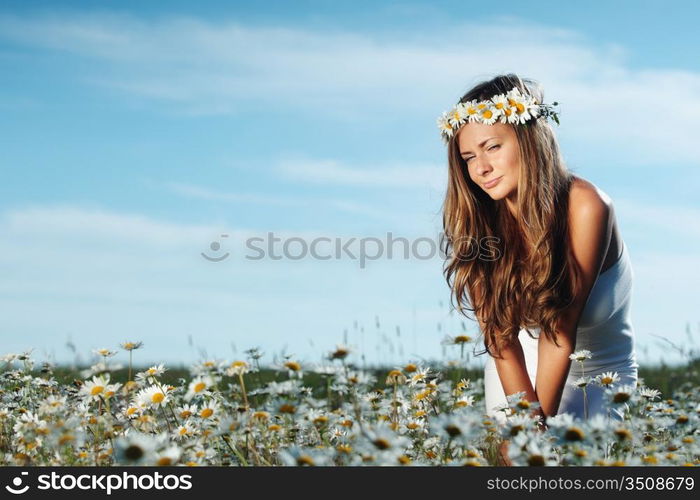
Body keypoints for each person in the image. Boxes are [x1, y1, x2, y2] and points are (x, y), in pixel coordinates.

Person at [437, 74, 639, 434]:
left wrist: (536, 431)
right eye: (469, 157)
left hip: (599, 371)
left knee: (570, 468)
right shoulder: (477, 222)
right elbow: (500, 337)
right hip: (515, 365)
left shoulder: (587, 207)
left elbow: (559, 332)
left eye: (492, 147)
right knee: (512, 468)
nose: (480, 168)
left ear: (528, 140)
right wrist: (524, 425)